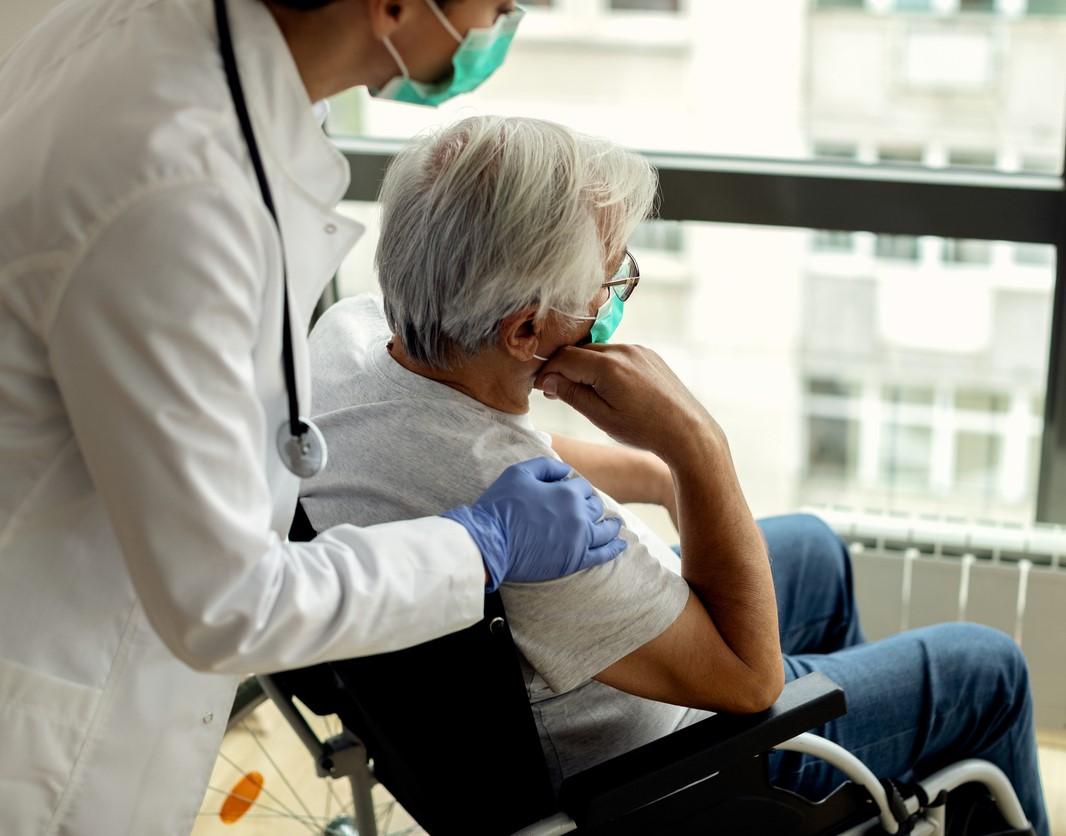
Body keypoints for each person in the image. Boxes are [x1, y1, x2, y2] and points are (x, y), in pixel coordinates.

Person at [301, 114, 1051, 834]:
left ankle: (866, 788)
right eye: (610, 277)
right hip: (679, 775)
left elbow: (487, 446)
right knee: (987, 669)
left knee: (816, 550)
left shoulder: (354, 336)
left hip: (538, 690)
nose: (616, 292)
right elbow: (752, 681)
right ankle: (825, 789)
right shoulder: (542, 547)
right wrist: (696, 447)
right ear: (525, 330)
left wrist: (658, 483)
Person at [0, 2, 629, 833]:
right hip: (54, 725)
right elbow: (228, 602)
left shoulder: (193, 74)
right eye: (499, 3)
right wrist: (479, 542)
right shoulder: (174, 187)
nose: (509, 15)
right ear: (396, 6)